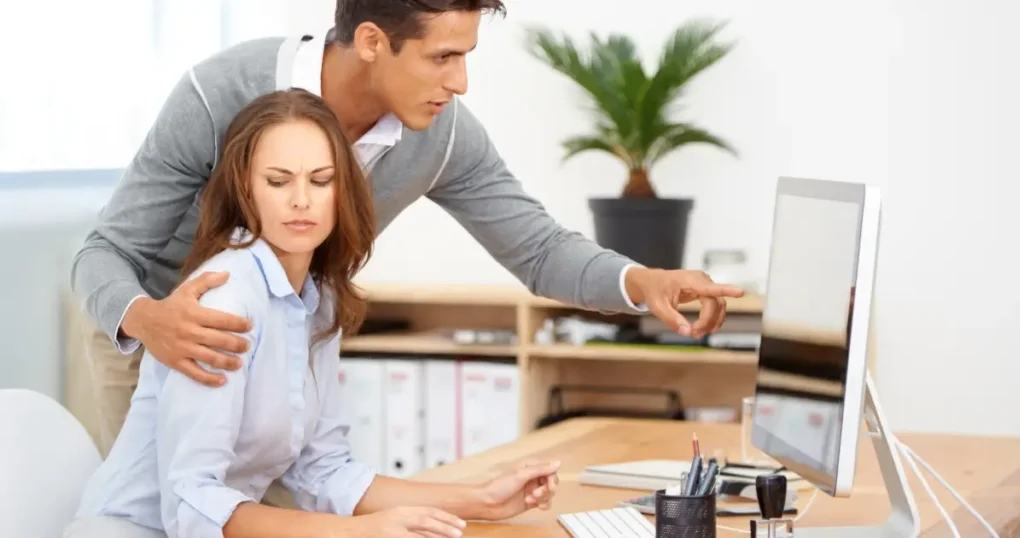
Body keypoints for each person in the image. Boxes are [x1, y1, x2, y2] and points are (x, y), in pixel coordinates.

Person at [72, 0, 743, 461]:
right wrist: (149, 321)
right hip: (161, 342)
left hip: (283, 350)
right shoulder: (220, 93)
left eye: (465, 56)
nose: (461, 81)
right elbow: (104, 253)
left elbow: (539, 250)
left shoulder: (441, 136)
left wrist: (643, 281)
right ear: (372, 42)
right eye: (442, 56)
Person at [64, 88, 560, 538]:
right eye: (278, 181)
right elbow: (193, 505)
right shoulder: (224, 300)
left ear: (342, 191)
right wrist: (359, 532)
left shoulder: (317, 297)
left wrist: (482, 499)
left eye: (321, 181)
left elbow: (324, 472)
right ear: (245, 189)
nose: (302, 201)